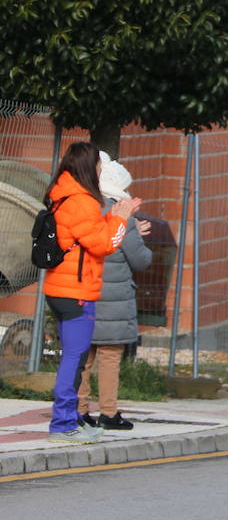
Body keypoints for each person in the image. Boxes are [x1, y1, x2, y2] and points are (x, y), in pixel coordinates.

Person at [41, 142, 141, 443]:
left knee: (76, 356)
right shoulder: (81, 201)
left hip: (62, 286)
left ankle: (72, 418)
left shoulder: (64, 195)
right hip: (76, 290)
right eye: (99, 166)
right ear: (89, 167)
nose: (102, 171)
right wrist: (122, 218)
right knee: (74, 358)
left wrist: (114, 217)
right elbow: (104, 245)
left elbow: (95, 235)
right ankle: (62, 424)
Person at [76, 155, 152, 431]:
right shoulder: (123, 218)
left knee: (83, 357)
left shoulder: (83, 211)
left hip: (84, 292)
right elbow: (139, 259)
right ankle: (108, 412)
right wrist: (138, 238)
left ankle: (79, 410)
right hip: (115, 300)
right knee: (109, 356)